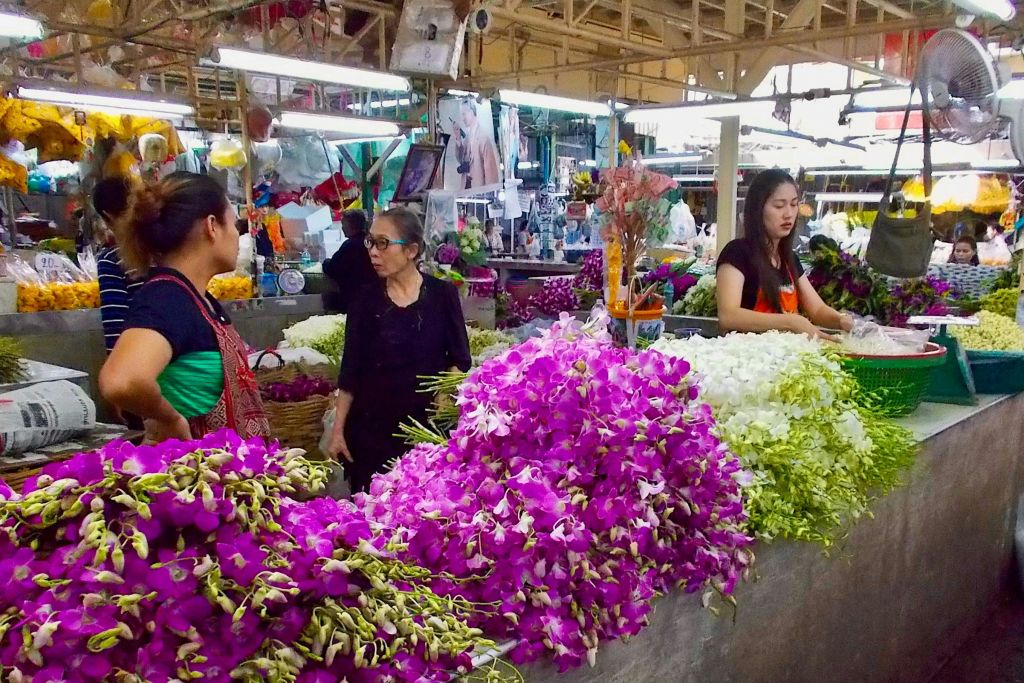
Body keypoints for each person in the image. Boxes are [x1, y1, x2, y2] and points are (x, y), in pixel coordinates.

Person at [99, 173, 270, 443]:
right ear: (211, 226)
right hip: (196, 467)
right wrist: (170, 418)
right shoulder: (167, 298)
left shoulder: (196, 298)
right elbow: (122, 381)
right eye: (234, 223)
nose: (237, 235)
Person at [324, 208, 471, 493]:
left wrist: (443, 400)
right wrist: (338, 430)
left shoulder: (442, 295)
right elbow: (350, 371)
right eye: (370, 242)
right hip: (370, 432)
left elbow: (460, 358)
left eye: (383, 243)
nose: (373, 252)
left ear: (411, 250)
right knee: (373, 508)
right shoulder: (364, 299)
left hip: (425, 432)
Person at [716, 169, 854, 339]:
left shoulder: (789, 259)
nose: (788, 214)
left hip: (785, 352)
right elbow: (728, 316)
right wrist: (790, 322)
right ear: (758, 209)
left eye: (794, 205)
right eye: (779, 206)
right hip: (748, 353)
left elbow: (817, 310)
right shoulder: (737, 253)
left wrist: (841, 320)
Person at [94, 176, 144, 355]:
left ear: (107, 216)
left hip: (145, 360)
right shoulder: (170, 248)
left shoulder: (112, 260)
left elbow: (116, 337)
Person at [323, 209, 377, 313]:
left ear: (352, 225)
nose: (342, 228)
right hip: (372, 296)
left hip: (354, 298)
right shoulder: (370, 242)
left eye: (344, 224)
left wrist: (325, 262)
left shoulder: (350, 246)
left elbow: (333, 269)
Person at [456, 99, 499, 189]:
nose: (463, 118)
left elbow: (490, 170)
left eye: (464, 114)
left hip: (479, 187)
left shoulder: (483, 138)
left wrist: (490, 191)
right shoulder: (467, 138)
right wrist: (458, 140)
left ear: (471, 112)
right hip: (466, 187)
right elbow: (460, 160)